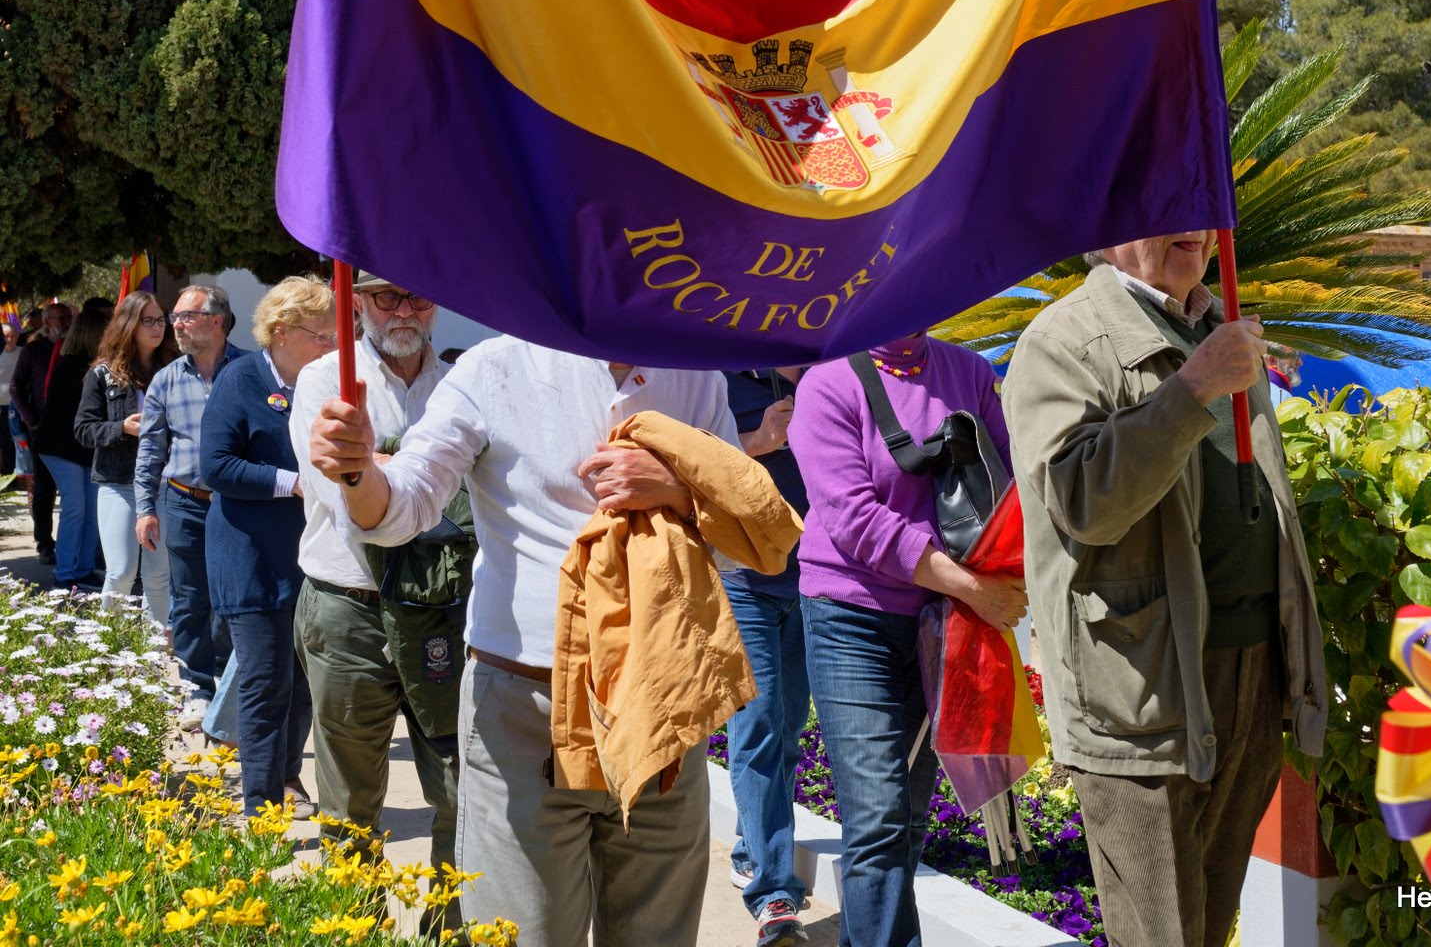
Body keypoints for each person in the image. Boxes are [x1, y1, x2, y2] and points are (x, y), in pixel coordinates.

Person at [308, 339, 740, 947]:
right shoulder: (496, 366)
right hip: (524, 708)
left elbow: (738, 536)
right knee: (518, 936)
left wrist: (674, 486)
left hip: (663, 706)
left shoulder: (698, 374)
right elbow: (404, 504)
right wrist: (359, 472)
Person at [1002, 233, 1328, 947]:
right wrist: (1192, 390)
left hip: (1250, 676)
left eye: (1203, 204)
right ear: (1112, 231)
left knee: (1209, 928)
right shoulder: (1061, 342)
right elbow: (1084, 500)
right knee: (1160, 936)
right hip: (1140, 694)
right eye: (1169, 203)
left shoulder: (1220, 329)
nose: (1200, 226)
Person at [787, 332, 1022, 947]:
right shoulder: (829, 384)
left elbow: (1016, 483)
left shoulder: (968, 372)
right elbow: (853, 521)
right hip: (850, 618)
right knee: (877, 820)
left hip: (943, 622)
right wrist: (972, 587)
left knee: (905, 821)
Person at [289, 272, 462, 902]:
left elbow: (476, 498)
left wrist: (390, 467)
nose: (403, 310)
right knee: (350, 802)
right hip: (349, 612)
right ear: (357, 301)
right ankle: (355, 925)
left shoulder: (458, 387)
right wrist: (429, 479)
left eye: (417, 294)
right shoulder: (323, 381)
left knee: (459, 794)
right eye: (386, 295)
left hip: (445, 615)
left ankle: (452, 940)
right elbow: (346, 497)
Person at [201, 275, 335, 818]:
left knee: (301, 681)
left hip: (306, 555)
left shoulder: (324, 382)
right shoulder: (240, 379)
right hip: (249, 558)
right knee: (263, 680)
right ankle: (258, 804)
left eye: (334, 335)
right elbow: (216, 466)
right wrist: (293, 481)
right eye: (319, 334)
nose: (330, 345)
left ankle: (285, 778)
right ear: (280, 333)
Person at [721, 368, 811, 947]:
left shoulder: (833, 376)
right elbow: (686, 462)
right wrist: (758, 441)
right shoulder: (723, 382)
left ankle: (747, 843)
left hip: (814, 582)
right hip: (743, 581)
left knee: (789, 726)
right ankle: (774, 895)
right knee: (756, 727)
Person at [135, 285, 246, 732]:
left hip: (239, 506)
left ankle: (226, 679)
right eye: (174, 317)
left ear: (216, 321)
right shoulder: (166, 379)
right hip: (183, 500)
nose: (174, 325)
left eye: (185, 316)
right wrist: (146, 507)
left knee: (231, 600)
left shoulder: (251, 371)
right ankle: (197, 686)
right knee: (190, 600)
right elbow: (150, 449)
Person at [75, 292, 178, 626]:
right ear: (129, 324)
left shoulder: (174, 370)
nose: (156, 327)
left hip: (164, 484)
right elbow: (84, 429)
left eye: (161, 319)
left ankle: (157, 649)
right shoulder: (103, 374)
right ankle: (110, 649)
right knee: (120, 572)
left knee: (159, 574)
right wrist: (122, 427)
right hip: (118, 483)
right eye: (147, 320)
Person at [34, 306, 107, 589]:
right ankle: (64, 574)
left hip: (80, 449)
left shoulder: (89, 364)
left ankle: (83, 570)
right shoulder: (75, 366)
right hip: (61, 448)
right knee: (76, 507)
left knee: (89, 510)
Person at [10, 300, 75, 564]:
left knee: (73, 493)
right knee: (44, 489)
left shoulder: (74, 350)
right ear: (46, 321)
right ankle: (45, 544)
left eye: (66, 318)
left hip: (72, 430)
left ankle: (73, 546)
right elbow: (16, 387)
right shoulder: (33, 350)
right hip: (42, 430)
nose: (62, 323)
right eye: (57, 318)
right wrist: (31, 420)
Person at [0, 321, 21, 481]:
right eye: (6, 336)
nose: (10, 339)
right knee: (4, 441)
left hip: (18, 405)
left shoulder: (23, 353)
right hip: (1, 406)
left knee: (18, 440)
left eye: (13, 336)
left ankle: (19, 474)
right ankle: (6, 475)